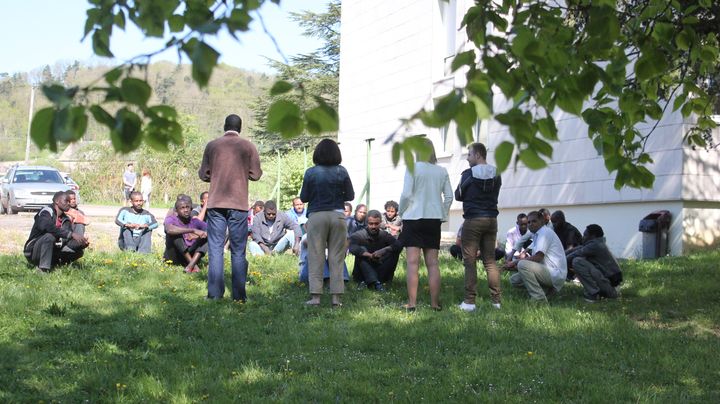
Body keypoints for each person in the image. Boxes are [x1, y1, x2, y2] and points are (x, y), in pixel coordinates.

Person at [199, 114, 262, 302]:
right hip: (239, 205)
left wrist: (216, 174)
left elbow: (204, 174)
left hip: (216, 204)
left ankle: (215, 294)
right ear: (240, 128)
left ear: (224, 126)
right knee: (238, 250)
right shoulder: (248, 146)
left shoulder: (212, 145)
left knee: (216, 248)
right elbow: (256, 174)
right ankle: (239, 296)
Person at [398, 138, 452, 312]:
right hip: (433, 220)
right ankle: (435, 304)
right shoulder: (442, 171)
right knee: (433, 264)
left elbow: (406, 194)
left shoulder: (412, 168)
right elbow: (449, 197)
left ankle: (412, 303)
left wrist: (401, 212)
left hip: (413, 219)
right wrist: (442, 213)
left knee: (412, 263)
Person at [300, 139, 354, 307]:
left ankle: (315, 298)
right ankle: (336, 299)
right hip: (337, 216)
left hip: (317, 216)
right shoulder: (342, 171)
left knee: (316, 255)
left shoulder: (311, 173)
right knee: (336, 257)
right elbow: (350, 196)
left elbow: (304, 198)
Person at [455, 142, 503, 311]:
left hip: (473, 219)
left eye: (469, 155)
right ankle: (496, 301)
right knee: (490, 261)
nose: (467, 158)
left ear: (477, 155)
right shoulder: (496, 173)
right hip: (491, 219)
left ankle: (469, 302)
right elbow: (496, 193)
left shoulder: (468, 174)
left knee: (470, 261)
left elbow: (458, 195)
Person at [504, 211, 567, 303]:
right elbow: (534, 262)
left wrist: (515, 262)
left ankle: (539, 298)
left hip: (555, 274)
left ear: (542, 221)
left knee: (522, 264)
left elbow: (538, 258)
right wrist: (513, 267)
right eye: (529, 222)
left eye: (534, 221)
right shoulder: (537, 234)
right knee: (515, 280)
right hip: (547, 271)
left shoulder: (544, 233)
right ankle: (546, 291)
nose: (530, 224)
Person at [24, 191, 89, 273]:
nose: (69, 203)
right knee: (49, 236)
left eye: (70, 201)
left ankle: (56, 265)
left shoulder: (66, 220)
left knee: (78, 252)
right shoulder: (46, 211)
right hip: (33, 251)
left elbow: (67, 242)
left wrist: (80, 243)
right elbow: (45, 226)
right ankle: (43, 269)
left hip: (53, 250)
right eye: (66, 201)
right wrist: (71, 234)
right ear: (57, 201)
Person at [566, 224, 623, 302]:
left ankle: (593, 293)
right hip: (610, 286)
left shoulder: (595, 245)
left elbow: (574, 255)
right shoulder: (597, 243)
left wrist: (557, 263)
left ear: (592, 236)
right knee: (580, 259)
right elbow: (577, 249)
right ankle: (596, 291)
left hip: (611, 289)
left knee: (577, 261)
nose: (583, 237)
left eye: (585, 235)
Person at [349, 209, 403, 292]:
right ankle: (375, 282)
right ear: (367, 223)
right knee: (362, 250)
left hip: (380, 268)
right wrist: (369, 255)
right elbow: (352, 247)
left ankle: (373, 281)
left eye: (376, 224)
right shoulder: (359, 235)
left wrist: (384, 250)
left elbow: (399, 245)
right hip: (362, 271)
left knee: (394, 250)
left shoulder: (384, 235)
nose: (373, 226)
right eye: (371, 224)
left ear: (380, 223)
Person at [164, 198, 208, 273]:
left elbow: (213, 231)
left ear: (191, 209)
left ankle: (191, 265)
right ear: (176, 211)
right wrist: (193, 230)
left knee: (207, 237)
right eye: (182, 208)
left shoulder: (195, 221)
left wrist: (199, 235)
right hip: (174, 257)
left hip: (191, 254)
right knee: (175, 234)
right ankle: (193, 265)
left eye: (188, 207)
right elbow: (169, 230)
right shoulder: (171, 219)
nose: (186, 210)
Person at [550, 210, 583, 281]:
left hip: (577, 254)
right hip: (565, 253)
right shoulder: (557, 229)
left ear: (561, 220)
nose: (553, 224)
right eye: (552, 222)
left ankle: (571, 276)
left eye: (555, 222)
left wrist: (557, 257)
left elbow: (570, 249)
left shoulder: (570, 230)